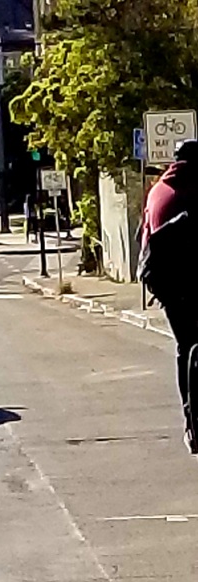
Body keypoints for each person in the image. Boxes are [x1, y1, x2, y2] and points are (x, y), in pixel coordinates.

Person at [139, 139, 198, 454]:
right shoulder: (192, 188)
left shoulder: (158, 189)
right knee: (191, 345)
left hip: (163, 282)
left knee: (185, 346)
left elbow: (144, 235)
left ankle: (191, 423)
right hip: (188, 280)